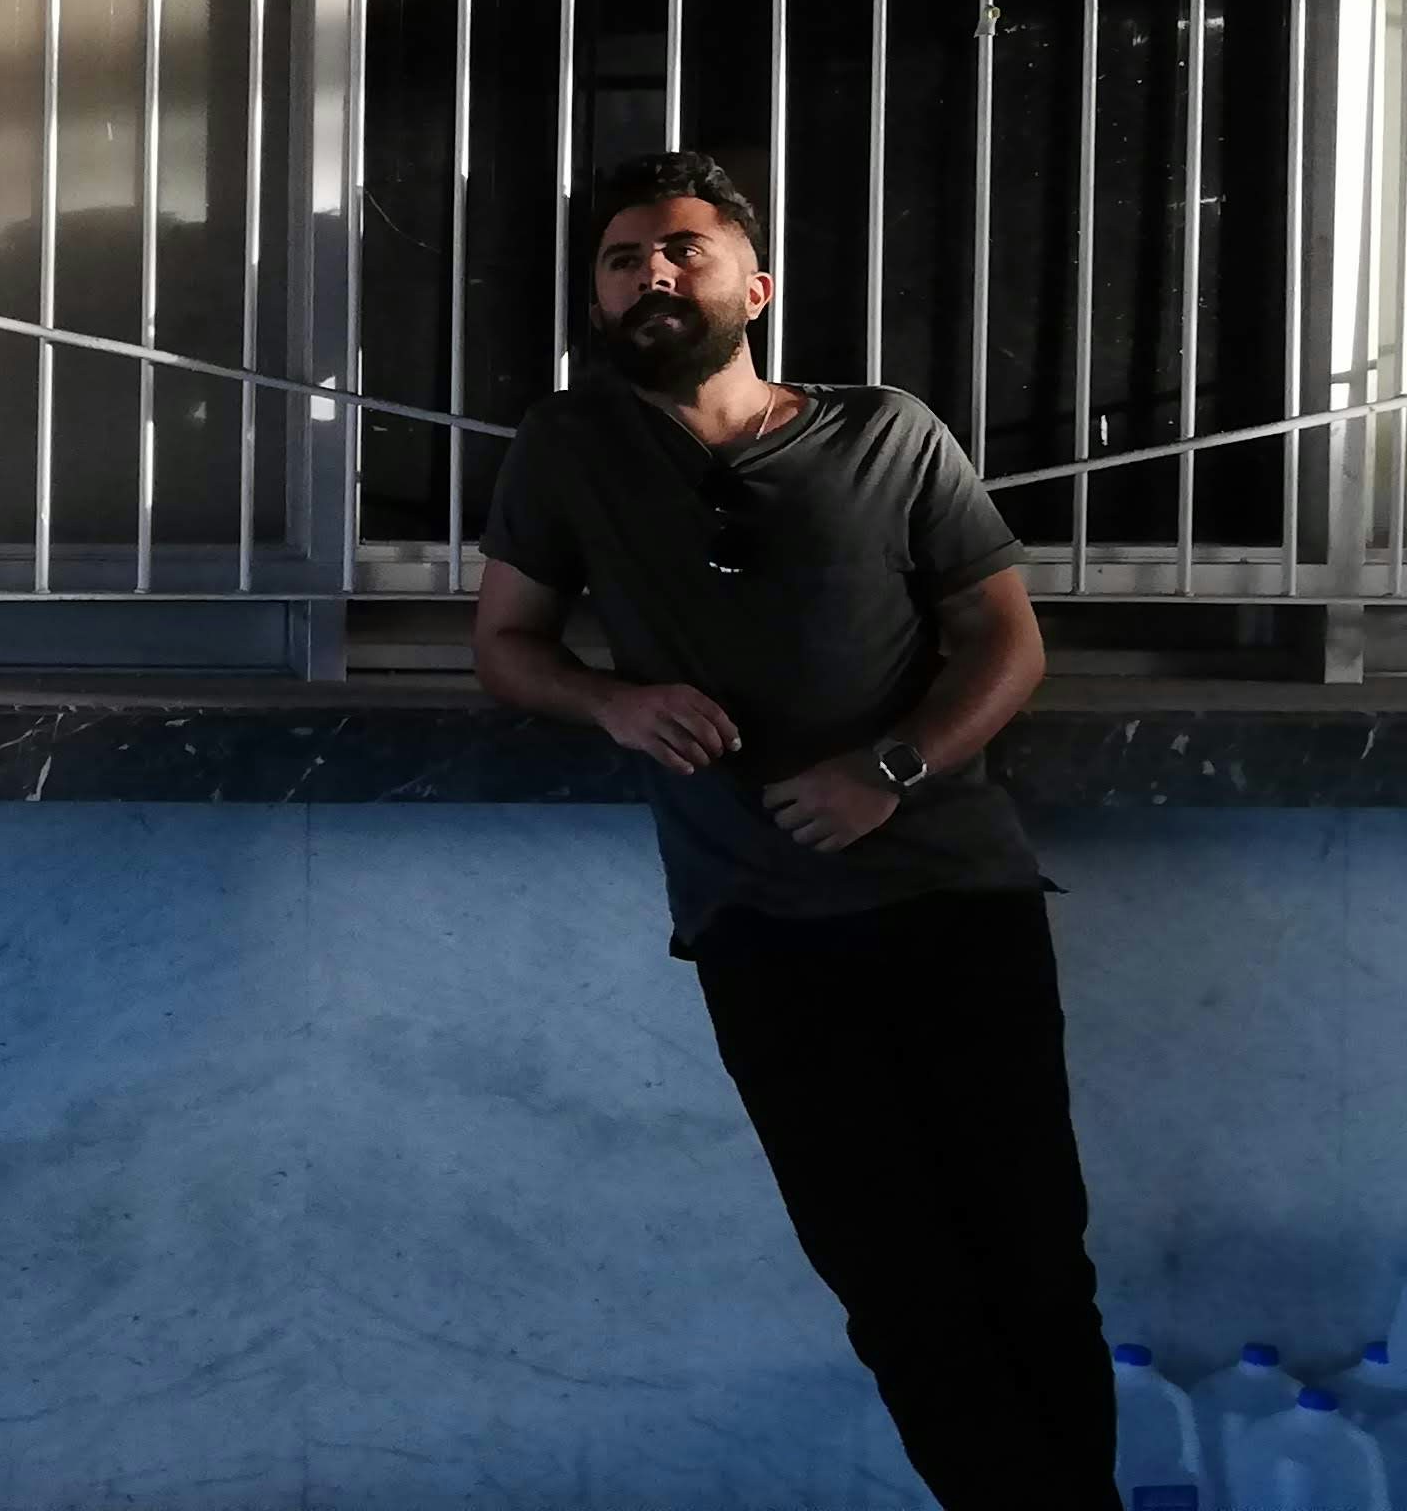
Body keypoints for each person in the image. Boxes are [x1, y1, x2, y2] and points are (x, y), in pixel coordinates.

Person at [466, 150, 1106, 1508]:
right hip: (764, 931)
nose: (653, 272)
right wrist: (614, 704)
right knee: (896, 1283)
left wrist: (893, 767)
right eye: (623, 257)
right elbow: (508, 646)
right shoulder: (569, 450)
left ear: (753, 285)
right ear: (595, 301)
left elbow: (1008, 641)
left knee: (1034, 1259)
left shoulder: (885, 434)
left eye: (683, 249)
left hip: (956, 903)